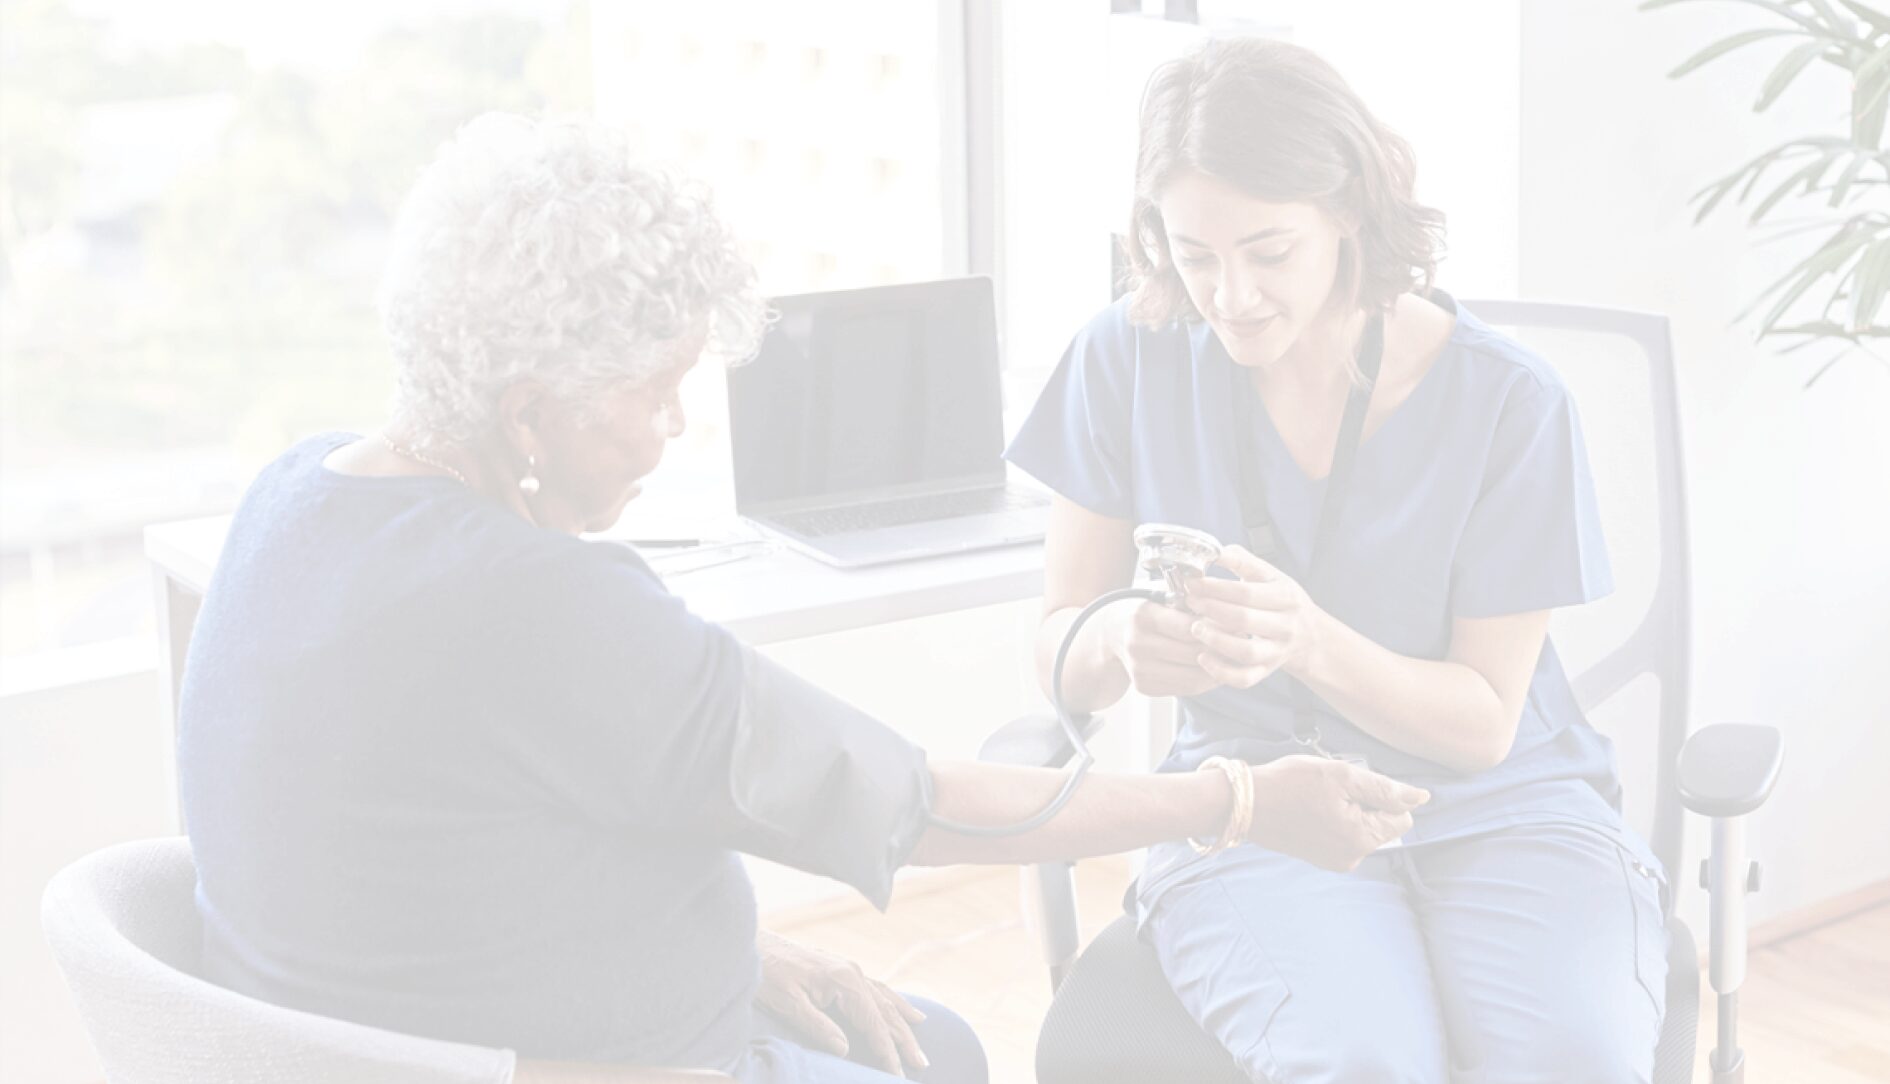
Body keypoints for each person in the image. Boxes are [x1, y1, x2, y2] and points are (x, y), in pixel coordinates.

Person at [175, 113, 1427, 1084]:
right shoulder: (548, 605)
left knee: (919, 1029)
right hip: (581, 1062)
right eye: (656, 393)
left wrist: (736, 953)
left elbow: (424, 847)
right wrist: (1241, 799)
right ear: (527, 411)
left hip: (394, 1036)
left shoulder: (293, 498)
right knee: (943, 1054)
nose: (675, 428)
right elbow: (916, 803)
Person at [1005, 37, 1671, 1084]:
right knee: (1364, 1062)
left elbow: (1484, 723)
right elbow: (1057, 645)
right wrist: (1116, 641)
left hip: (1504, 808)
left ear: (1349, 213)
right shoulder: (1125, 355)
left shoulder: (1509, 402)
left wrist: (1306, 640)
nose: (1230, 295)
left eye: (1269, 252)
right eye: (1196, 253)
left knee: (1572, 1061)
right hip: (1252, 802)